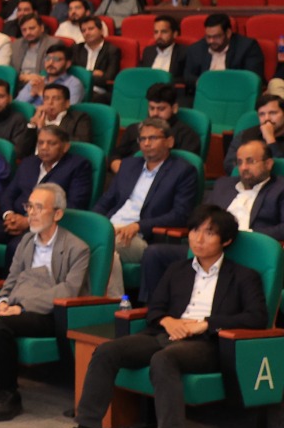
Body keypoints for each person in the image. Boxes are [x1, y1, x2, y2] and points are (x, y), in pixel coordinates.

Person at [47, 205, 266, 428]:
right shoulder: (177, 270)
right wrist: (168, 321)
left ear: (226, 240)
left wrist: (206, 324)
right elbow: (155, 309)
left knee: (164, 359)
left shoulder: (243, 276)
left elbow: (257, 317)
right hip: (166, 334)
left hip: (207, 343)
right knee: (106, 350)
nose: (198, 239)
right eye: (195, 230)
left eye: (209, 233)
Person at [0, 181, 92, 420]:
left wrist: (21, 308)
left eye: (39, 207)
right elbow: (11, 278)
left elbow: (69, 290)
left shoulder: (77, 248)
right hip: (12, 306)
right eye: (29, 206)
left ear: (58, 214)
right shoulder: (26, 241)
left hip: (46, 314)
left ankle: (9, 394)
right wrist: (2, 300)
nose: (31, 213)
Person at [139, 138, 284, 301]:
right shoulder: (224, 185)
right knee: (154, 254)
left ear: (268, 164)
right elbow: (200, 216)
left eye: (250, 161)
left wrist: (249, 235)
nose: (243, 167)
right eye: (240, 162)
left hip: (247, 252)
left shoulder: (279, 189)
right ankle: (152, 308)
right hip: (207, 247)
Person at [0, 125, 93, 276]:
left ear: (65, 146)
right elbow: (7, 194)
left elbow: (75, 205)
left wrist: (28, 221)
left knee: (17, 247)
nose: (44, 147)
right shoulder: (29, 163)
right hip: (13, 220)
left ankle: (10, 287)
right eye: (41, 142)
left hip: (45, 227)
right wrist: (9, 215)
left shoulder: (78, 166)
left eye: (51, 143)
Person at [93, 118, 200, 276]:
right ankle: (111, 291)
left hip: (141, 237)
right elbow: (105, 201)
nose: (146, 143)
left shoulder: (183, 172)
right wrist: (94, 223)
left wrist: (139, 226)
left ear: (170, 142)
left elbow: (180, 214)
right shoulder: (128, 165)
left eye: (153, 138)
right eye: (142, 139)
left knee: (101, 246)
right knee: (88, 243)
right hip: (111, 228)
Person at [111, 83, 202, 172]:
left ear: (174, 108)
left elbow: (186, 169)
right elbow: (115, 156)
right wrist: (121, 171)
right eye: (152, 108)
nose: (155, 113)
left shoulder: (187, 135)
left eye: (161, 109)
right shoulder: (133, 129)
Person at [13, 77, 91, 160]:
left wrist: (44, 129)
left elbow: (81, 145)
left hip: (62, 162)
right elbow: (20, 151)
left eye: (56, 99)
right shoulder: (39, 118)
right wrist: (32, 125)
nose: (50, 103)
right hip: (34, 162)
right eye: (46, 98)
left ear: (67, 103)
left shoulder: (79, 118)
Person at [182, 11, 266, 85]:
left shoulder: (247, 47)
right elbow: (188, 76)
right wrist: (201, 82)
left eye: (216, 37)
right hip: (206, 92)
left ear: (228, 33)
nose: (211, 41)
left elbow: (253, 78)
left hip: (236, 91)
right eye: (208, 37)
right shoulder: (196, 49)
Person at [71, 16, 121, 102]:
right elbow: (72, 73)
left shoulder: (112, 50)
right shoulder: (76, 49)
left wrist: (83, 75)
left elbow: (108, 78)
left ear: (101, 30)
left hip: (99, 92)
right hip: (77, 88)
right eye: (83, 31)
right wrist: (92, 73)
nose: (87, 33)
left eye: (91, 29)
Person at [17, 44, 83, 106]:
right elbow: (17, 104)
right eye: (48, 58)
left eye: (56, 59)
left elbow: (68, 110)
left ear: (68, 64)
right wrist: (31, 94)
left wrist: (41, 93)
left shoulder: (73, 84)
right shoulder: (38, 80)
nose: (50, 63)